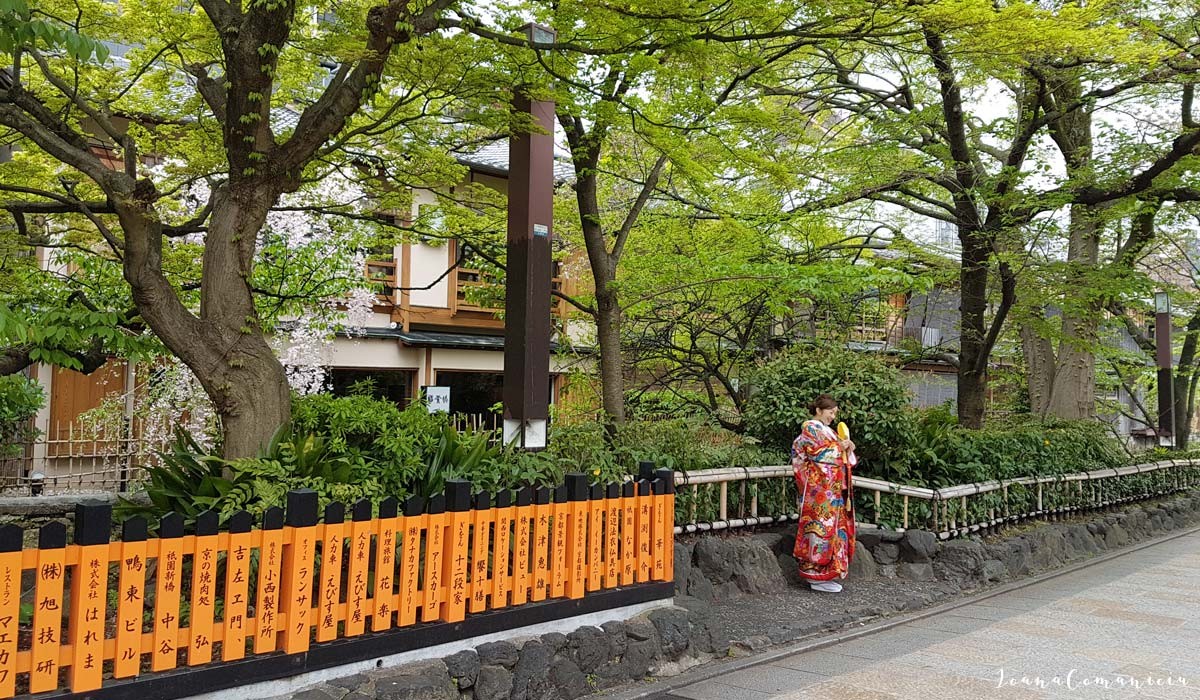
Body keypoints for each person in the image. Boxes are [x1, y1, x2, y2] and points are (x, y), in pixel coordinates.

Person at [791, 394, 856, 593]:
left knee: (832, 530)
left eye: (835, 413)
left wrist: (848, 448)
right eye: (830, 412)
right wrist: (840, 447)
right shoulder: (810, 428)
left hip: (830, 489)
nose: (832, 416)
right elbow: (817, 454)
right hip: (818, 489)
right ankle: (815, 574)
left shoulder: (828, 431)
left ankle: (826, 572)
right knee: (818, 529)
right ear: (819, 410)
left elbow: (843, 457)